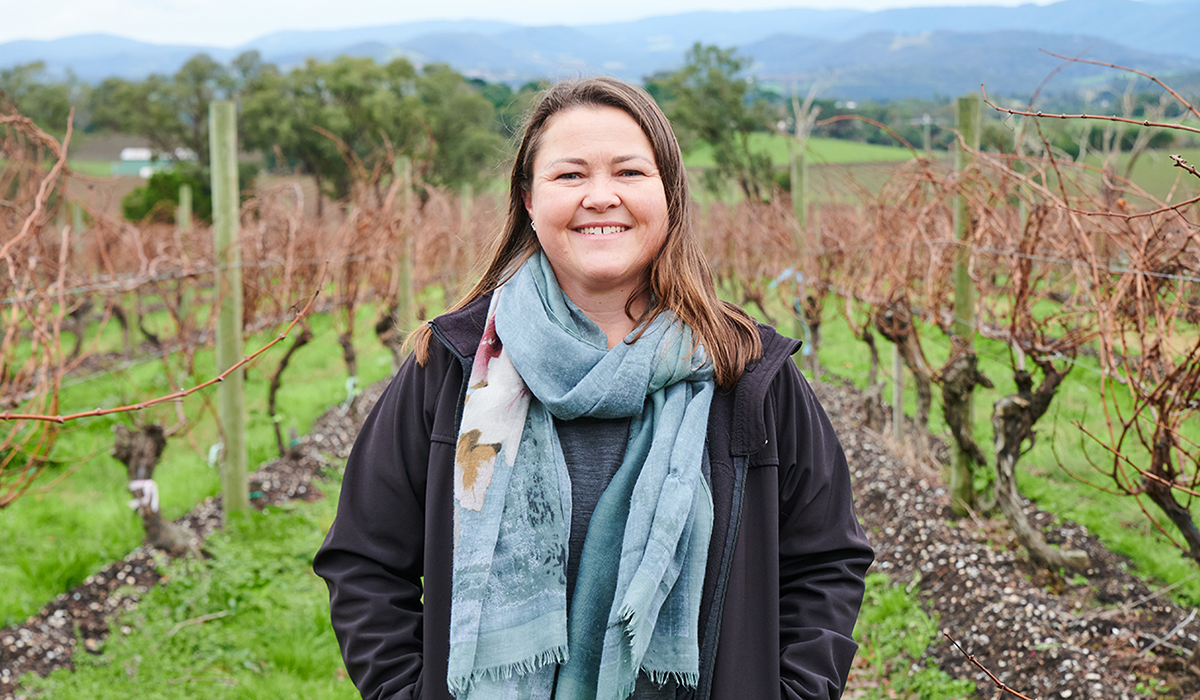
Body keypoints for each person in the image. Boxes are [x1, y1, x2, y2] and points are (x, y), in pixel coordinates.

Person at [314, 76, 873, 700]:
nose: (600, 197)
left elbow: (825, 563)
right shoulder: (452, 367)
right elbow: (364, 560)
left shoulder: (746, 373)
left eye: (629, 172)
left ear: (669, 195)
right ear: (528, 199)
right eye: (570, 176)